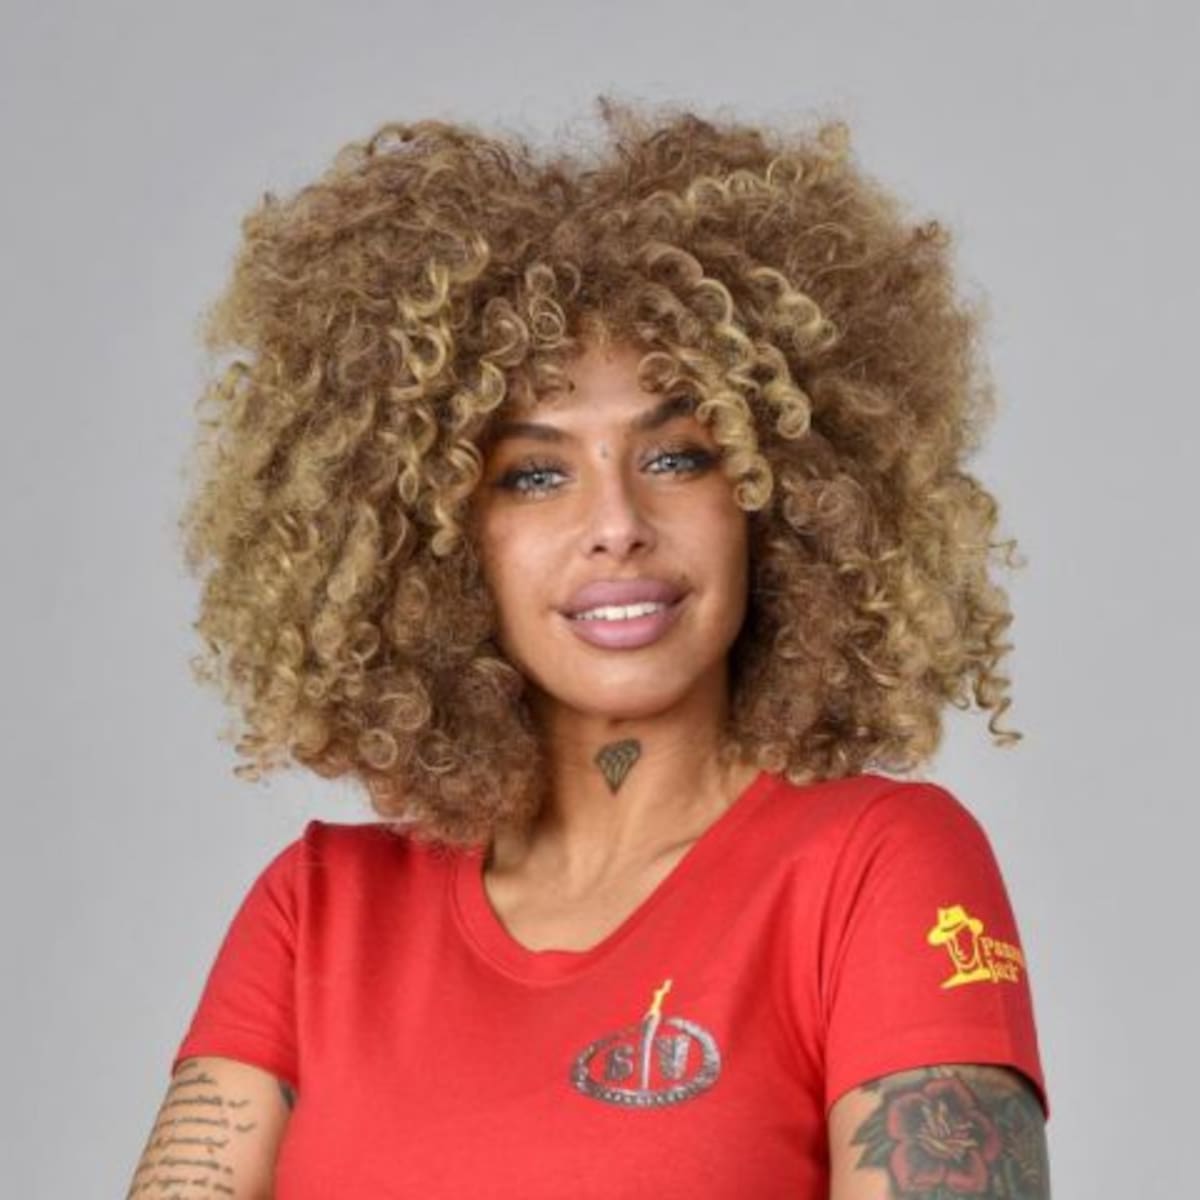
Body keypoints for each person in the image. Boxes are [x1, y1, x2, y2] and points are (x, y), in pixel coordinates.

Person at [126, 98, 1051, 1198]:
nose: (616, 523)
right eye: (535, 474)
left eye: (679, 458)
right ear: (435, 537)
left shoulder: (872, 868)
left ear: (779, 498)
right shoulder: (320, 913)